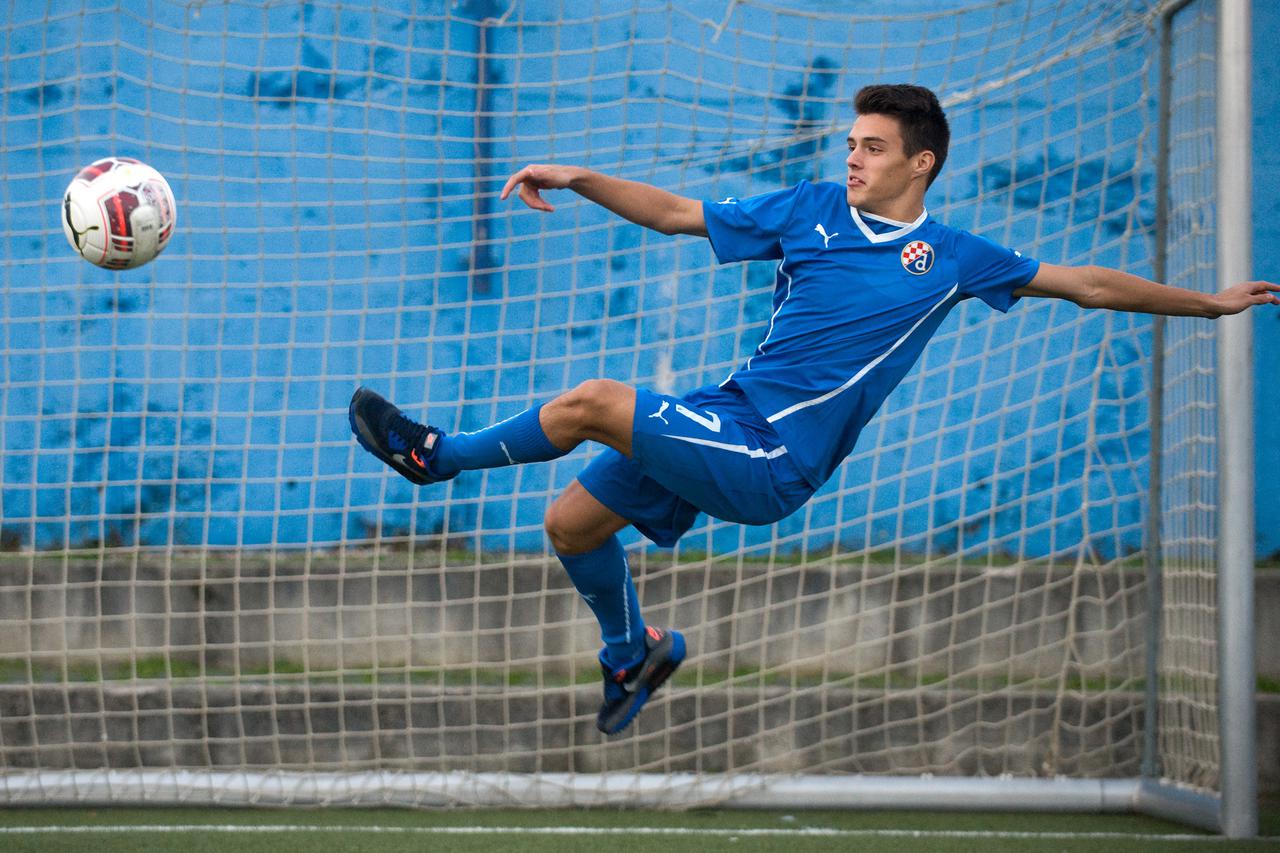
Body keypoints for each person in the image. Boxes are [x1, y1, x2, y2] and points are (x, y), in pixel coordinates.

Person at [349, 84, 1279, 736]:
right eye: (850, 144)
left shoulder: (954, 257)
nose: (854, 158)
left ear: (922, 162)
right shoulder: (807, 210)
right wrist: (582, 176)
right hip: (727, 415)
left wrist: (1209, 302)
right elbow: (678, 212)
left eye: (872, 147)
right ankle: (635, 653)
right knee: (571, 522)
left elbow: (1085, 281)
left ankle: (438, 457)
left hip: (773, 462)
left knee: (595, 400)